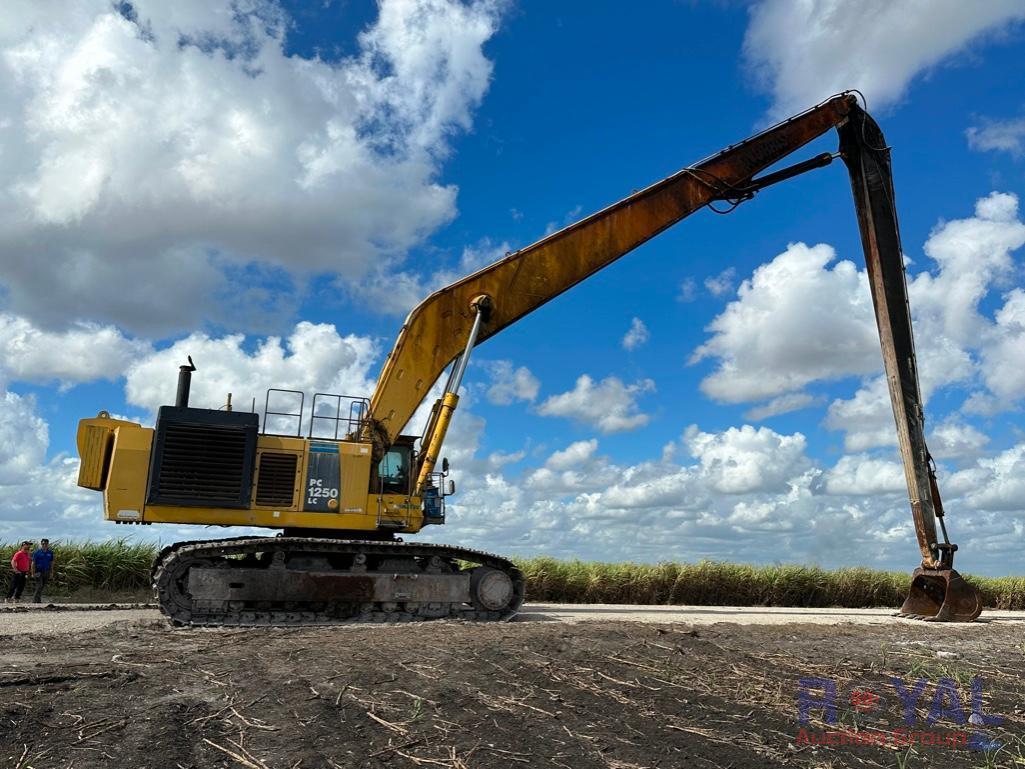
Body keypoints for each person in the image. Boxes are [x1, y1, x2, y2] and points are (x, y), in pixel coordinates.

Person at [31, 539, 55, 604]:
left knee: (42, 586)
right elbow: (33, 563)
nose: (44, 545)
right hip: (38, 571)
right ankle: (34, 601)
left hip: (46, 571)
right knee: (39, 585)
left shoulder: (50, 553)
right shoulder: (37, 552)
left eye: (46, 544)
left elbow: (52, 562)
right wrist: (32, 573)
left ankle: (38, 600)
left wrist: (51, 572)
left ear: (48, 544)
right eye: (43, 544)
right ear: (41, 544)